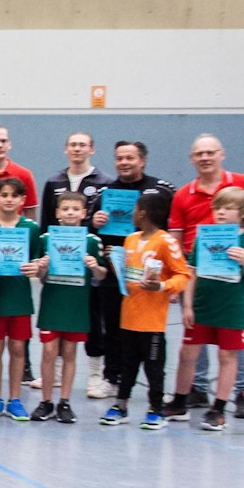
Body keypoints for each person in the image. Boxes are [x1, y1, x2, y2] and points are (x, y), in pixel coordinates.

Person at [171, 134, 244, 419]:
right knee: (192, 346)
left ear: (222, 154)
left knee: (231, 348)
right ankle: (193, 392)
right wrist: (180, 280)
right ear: (192, 158)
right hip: (198, 280)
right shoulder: (184, 194)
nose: (205, 157)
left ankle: (241, 393)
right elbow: (175, 237)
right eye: (199, 153)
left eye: (211, 152)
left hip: (231, 284)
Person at [166, 187, 244, 431]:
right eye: (218, 207)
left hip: (231, 309)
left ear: (242, 213)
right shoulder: (205, 237)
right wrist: (187, 304)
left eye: (228, 208)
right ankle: (179, 402)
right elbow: (193, 272)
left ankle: (218, 409)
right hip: (202, 306)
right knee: (187, 354)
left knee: (226, 356)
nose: (221, 212)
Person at [84, 141, 173, 399]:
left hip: (149, 276)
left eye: (130, 158)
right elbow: (89, 229)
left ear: (142, 160)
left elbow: (172, 227)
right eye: (119, 158)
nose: (124, 162)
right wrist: (94, 221)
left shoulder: (161, 190)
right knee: (112, 328)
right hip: (113, 274)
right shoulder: (105, 192)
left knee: (151, 332)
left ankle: (155, 386)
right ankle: (112, 378)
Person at [105, 192, 188, 429]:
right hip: (129, 315)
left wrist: (162, 286)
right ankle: (121, 405)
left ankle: (156, 408)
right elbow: (127, 274)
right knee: (127, 364)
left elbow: (182, 274)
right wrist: (114, 262)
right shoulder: (130, 239)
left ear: (143, 212)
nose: (132, 213)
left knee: (153, 367)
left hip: (152, 320)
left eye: (135, 209)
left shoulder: (166, 241)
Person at [30, 192, 107, 424]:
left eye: (75, 209)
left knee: (71, 353)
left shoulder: (92, 241)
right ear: (57, 213)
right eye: (65, 209)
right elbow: (40, 277)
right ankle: (45, 401)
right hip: (53, 302)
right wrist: (41, 267)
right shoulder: (46, 239)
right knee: (50, 351)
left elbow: (102, 275)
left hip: (77, 305)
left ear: (84, 213)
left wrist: (95, 267)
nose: (70, 213)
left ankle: (64, 402)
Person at [0, 178, 38, 421]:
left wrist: (35, 267)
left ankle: (14, 399)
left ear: (23, 200)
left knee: (17, 347)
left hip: (20, 296)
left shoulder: (31, 228)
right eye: (4, 194)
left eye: (15, 195)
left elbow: (38, 260)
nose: (9, 199)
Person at [39, 131, 116, 229]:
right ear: (66, 149)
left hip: (92, 241)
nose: (77, 149)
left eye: (82, 145)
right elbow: (46, 218)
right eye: (73, 145)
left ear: (92, 150)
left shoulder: (106, 183)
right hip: (58, 241)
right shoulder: (53, 182)